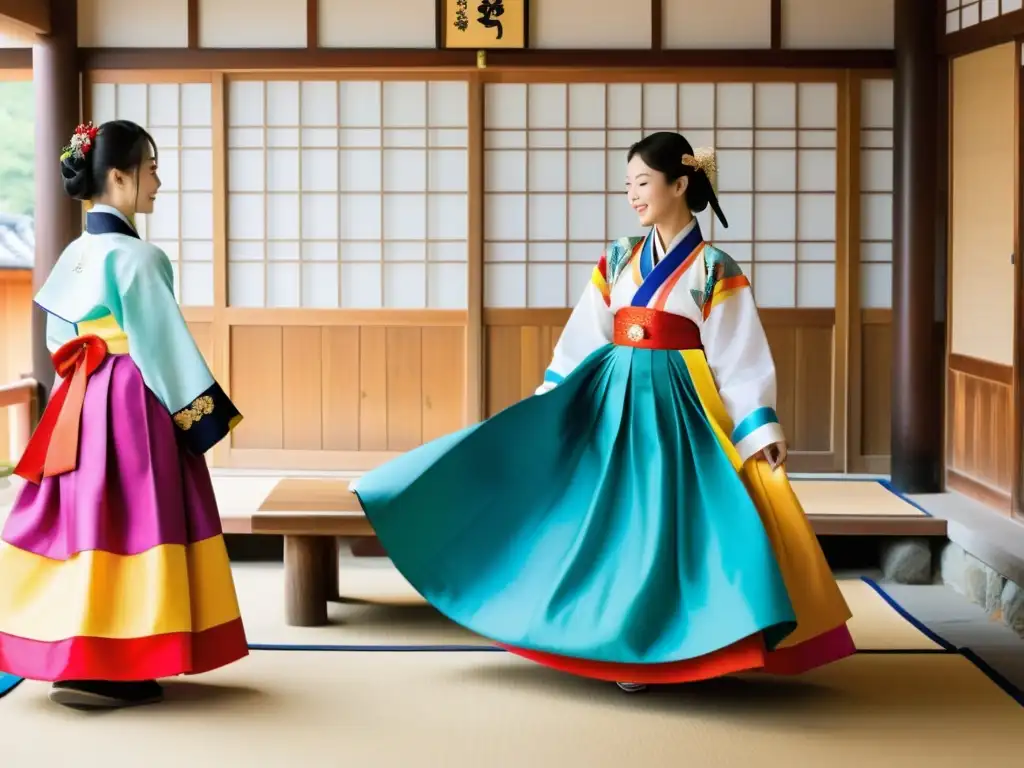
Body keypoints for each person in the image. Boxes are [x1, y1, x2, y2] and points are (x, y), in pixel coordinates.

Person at [352, 131, 855, 692]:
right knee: (611, 523)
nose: (633, 196)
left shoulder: (715, 266)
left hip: (679, 407)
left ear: (680, 184)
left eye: (642, 183)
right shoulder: (618, 257)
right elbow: (584, 334)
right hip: (611, 398)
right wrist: (552, 398)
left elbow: (738, 353)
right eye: (628, 186)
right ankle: (608, 641)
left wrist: (756, 422)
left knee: (669, 527)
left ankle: (666, 644)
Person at [0, 120, 248, 708]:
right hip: (133, 402)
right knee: (142, 524)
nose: (158, 181)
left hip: (79, 400)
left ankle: (77, 655)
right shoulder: (139, 257)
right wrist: (202, 420)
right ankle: (125, 661)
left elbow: (61, 336)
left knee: (86, 526)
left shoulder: (75, 254)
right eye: (151, 167)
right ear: (119, 175)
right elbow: (161, 346)